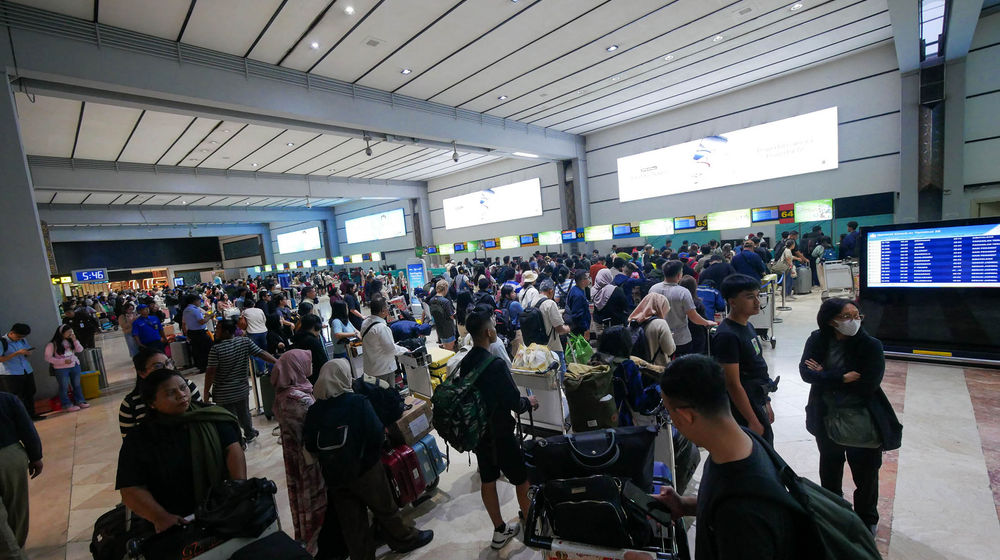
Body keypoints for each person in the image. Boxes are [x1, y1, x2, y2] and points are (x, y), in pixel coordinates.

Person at [653, 354, 805, 559]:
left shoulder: (742, 515)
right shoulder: (742, 441)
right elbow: (723, 497)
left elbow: (734, 505)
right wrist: (684, 505)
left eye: (669, 412)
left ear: (685, 416)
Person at [305, 359, 432, 559]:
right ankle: (404, 539)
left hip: (335, 476)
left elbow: (310, 444)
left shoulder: (314, 411)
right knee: (385, 509)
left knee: (353, 524)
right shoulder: (357, 402)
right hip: (365, 469)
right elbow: (375, 433)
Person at [799, 299, 901, 535]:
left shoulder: (870, 346)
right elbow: (805, 373)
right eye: (847, 317)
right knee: (830, 469)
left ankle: (867, 520)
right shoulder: (818, 339)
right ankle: (834, 514)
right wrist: (842, 377)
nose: (853, 321)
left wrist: (824, 375)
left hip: (863, 419)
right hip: (826, 416)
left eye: (857, 316)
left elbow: (867, 384)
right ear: (831, 320)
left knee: (865, 475)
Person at [116, 369, 246, 534]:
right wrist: (160, 517)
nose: (181, 394)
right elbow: (130, 488)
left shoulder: (211, 417)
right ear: (152, 403)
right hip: (173, 523)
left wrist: (238, 489)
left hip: (223, 510)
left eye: (183, 387)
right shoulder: (139, 438)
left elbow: (233, 450)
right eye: (170, 393)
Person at [457, 310, 537, 550]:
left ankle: (500, 530)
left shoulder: (466, 361)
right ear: (488, 332)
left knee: (488, 480)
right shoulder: (496, 364)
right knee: (522, 480)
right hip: (501, 433)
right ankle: (532, 527)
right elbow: (513, 401)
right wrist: (529, 403)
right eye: (492, 325)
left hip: (480, 433)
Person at [270, 350, 327, 556]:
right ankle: (317, 545)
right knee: (313, 500)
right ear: (296, 366)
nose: (309, 364)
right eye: (305, 362)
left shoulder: (284, 393)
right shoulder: (297, 399)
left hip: (295, 456)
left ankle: (306, 537)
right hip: (308, 459)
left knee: (301, 499)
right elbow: (316, 428)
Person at [713, 274, 777, 444]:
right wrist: (752, 419)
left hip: (757, 400)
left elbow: (757, 368)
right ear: (732, 302)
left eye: (758, 296)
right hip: (743, 408)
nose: (757, 301)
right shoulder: (727, 335)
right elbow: (732, 383)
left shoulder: (747, 325)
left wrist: (766, 402)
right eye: (750, 297)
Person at [205, 319, 277, 442]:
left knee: (229, 417)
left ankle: (236, 439)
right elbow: (261, 353)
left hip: (223, 392)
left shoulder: (216, 349)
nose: (215, 331)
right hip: (241, 389)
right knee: (244, 413)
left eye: (218, 329)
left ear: (227, 332)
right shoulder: (245, 342)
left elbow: (210, 372)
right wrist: (277, 362)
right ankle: (249, 433)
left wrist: (206, 392)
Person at [120, 347, 202, 437]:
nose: (167, 368)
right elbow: (129, 442)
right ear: (142, 373)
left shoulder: (188, 387)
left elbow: (202, 415)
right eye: (157, 366)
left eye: (168, 363)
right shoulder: (130, 403)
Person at [0, 390, 42, 559]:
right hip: (11, 457)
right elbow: (27, 428)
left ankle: (11, 553)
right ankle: (16, 549)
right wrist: (35, 456)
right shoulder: (7, 399)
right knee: (17, 507)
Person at [649, 261, 717, 356]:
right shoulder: (683, 292)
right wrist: (706, 322)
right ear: (679, 275)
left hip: (659, 335)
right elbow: (693, 317)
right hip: (681, 338)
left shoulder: (653, 289)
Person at [359, 299, 409, 388]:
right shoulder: (381, 328)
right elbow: (391, 349)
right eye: (387, 307)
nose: (388, 309)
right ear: (382, 310)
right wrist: (405, 350)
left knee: (377, 395)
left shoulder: (365, 322)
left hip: (370, 368)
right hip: (383, 369)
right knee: (388, 395)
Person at [43, 325, 89, 412]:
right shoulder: (52, 344)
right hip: (61, 368)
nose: (70, 334)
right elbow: (47, 358)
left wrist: (75, 340)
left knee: (77, 385)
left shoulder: (71, 341)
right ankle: (66, 404)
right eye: (68, 332)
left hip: (74, 365)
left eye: (71, 332)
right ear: (61, 333)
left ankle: (80, 400)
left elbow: (80, 350)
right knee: (64, 386)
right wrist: (62, 361)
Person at [0, 324, 38, 419]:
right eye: (18, 337)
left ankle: (32, 414)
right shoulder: (2, 342)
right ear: (12, 333)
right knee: (17, 396)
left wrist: (28, 353)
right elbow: (1, 359)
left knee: (30, 392)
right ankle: (21, 418)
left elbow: (26, 350)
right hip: (11, 373)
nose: (20, 339)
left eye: (23, 337)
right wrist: (16, 353)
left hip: (25, 369)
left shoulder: (22, 340)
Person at [627, 293, 675, 366]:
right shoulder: (661, 324)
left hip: (635, 365)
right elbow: (669, 350)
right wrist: (670, 337)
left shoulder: (632, 321)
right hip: (654, 369)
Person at [536, 279, 571, 375]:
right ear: (551, 291)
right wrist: (568, 328)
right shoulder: (550, 303)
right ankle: (559, 389)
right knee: (560, 371)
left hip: (536, 345)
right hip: (552, 345)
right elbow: (560, 329)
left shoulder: (533, 301)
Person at [291, 314, 330, 384]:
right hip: (316, 377)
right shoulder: (312, 341)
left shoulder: (298, 337)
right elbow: (323, 361)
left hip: (303, 376)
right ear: (315, 327)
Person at [181, 294, 213, 372]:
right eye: (199, 301)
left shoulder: (185, 310)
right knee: (206, 348)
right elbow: (201, 322)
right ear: (195, 301)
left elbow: (184, 323)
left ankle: (200, 366)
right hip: (200, 332)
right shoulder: (195, 310)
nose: (200, 302)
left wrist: (186, 334)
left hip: (191, 332)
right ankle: (207, 365)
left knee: (197, 350)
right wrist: (209, 316)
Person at [240, 296, 269, 372]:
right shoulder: (260, 310)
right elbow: (264, 320)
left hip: (252, 333)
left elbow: (242, 324)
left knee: (255, 352)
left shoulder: (244, 312)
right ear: (253, 304)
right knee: (264, 351)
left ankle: (260, 369)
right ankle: (268, 367)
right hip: (264, 331)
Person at [429, 280, 458, 351]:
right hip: (448, 328)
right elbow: (451, 316)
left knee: (445, 347)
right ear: (445, 288)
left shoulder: (432, 300)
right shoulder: (445, 301)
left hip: (439, 328)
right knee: (450, 349)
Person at [565, 270, 592, 336]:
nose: (589, 279)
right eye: (588, 278)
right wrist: (585, 329)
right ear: (582, 281)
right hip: (579, 329)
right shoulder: (578, 295)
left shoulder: (575, 289)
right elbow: (578, 315)